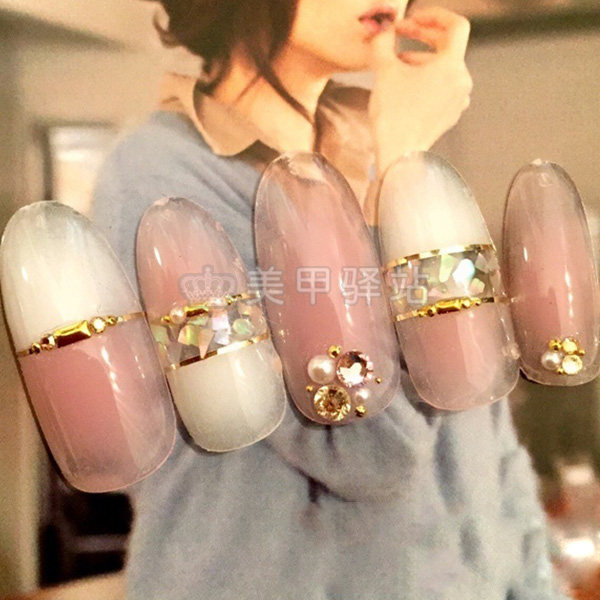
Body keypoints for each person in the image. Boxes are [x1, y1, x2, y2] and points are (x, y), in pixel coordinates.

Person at [91, 1, 567, 598]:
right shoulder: (161, 185)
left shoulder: (376, 157)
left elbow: (483, 423)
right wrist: (403, 172)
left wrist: (535, 585)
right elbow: (370, 447)